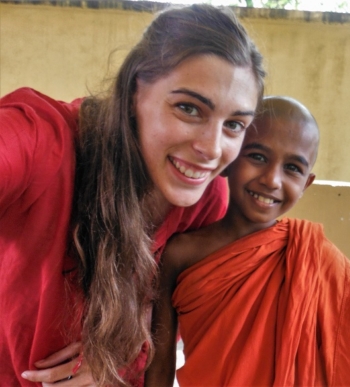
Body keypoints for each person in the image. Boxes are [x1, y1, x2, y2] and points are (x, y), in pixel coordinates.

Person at [0, 4, 265, 386]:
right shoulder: (45, 146)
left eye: (235, 124)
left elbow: (167, 324)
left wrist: (118, 358)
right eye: (189, 108)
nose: (212, 148)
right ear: (133, 93)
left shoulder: (207, 201)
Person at [146, 96, 350, 386]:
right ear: (228, 159)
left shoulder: (313, 256)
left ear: (306, 184)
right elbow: (160, 356)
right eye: (258, 157)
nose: (272, 180)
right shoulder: (180, 253)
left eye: (292, 168)